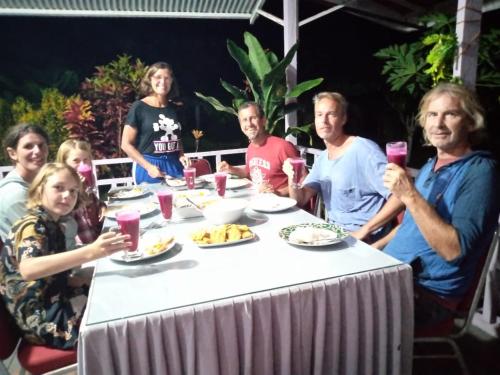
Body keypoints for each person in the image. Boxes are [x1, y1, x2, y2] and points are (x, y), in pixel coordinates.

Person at [353, 83, 499, 329]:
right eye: (432, 114)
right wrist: (371, 249)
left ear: (471, 122)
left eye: (450, 114)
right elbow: (410, 226)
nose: (438, 123)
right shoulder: (431, 166)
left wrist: (409, 194)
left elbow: (454, 250)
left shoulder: (481, 171)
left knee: (331, 309)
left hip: (427, 295)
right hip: (392, 273)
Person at [0, 163, 130, 349]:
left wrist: (82, 278)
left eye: (73, 191)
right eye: (58, 188)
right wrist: (91, 252)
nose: (67, 195)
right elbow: (29, 269)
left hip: (56, 298)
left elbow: (53, 275)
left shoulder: (52, 224)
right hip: (45, 319)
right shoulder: (32, 225)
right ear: (39, 189)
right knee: (121, 317)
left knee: (118, 289)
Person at [283, 92, 390, 233]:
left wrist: (363, 232)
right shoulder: (322, 159)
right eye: (319, 115)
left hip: (366, 240)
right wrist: (292, 177)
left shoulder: (364, 150)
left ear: (343, 119)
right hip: (334, 234)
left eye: (331, 114)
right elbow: (300, 199)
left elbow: (399, 196)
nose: (324, 121)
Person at [121, 61, 189, 184]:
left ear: (172, 81)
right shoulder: (139, 107)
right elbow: (126, 145)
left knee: (179, 201)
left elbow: (177, 139)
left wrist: (181, 155)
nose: (163, 82)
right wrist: (148, 167)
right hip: (149, 167)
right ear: (150, 80)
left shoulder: (175, 108)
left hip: (174, 166)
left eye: (167, 78)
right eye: (158, 77)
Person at [218, 101, 299, 196]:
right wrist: (231, 169)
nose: (249, 124)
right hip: (258, 202)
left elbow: (303, 180)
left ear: (263, 120)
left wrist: (278, 193)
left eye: (253, 118)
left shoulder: (282, 146)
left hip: (282, 206)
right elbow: (249, 172)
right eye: (244, 120)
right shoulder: (250, 148)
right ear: (240, 125)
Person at [0, 124, 49, 241]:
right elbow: (40, 240)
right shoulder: (15, 193)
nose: (37, 151)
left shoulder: (40, 184)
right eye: (28, 146)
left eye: (41, 145)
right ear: (13, 153)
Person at [56, 139, 106, 244]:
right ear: (64, 163)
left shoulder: (87, 183)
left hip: (98, 239)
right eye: (76, 161)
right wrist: (77, 189)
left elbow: (94, 201)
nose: (82, 165)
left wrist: (102, 206)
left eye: (86, 160)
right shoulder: (61, 191)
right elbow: (66, 216)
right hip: (82, 247)